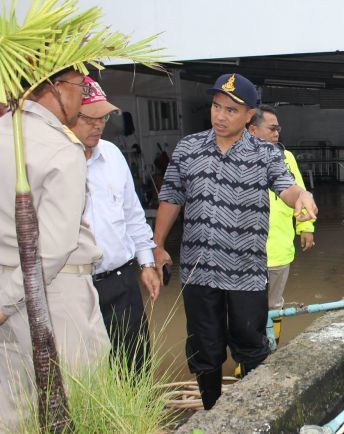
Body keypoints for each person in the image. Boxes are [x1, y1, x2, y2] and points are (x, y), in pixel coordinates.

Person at [153, 73, 318, 411]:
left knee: (251, 344)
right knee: (204, 348)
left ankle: (256, 413)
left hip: (245, 273)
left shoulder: (265, 153)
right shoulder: (188, 147)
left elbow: (286, 187)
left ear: (248, 116)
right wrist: (157, 244)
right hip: (199, 273)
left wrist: (302, 197)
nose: (220, 115)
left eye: (231, 109)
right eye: (216, 106)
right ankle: (213, 411)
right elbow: (171, 197)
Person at [0, 69, 109, 429]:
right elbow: (53, 249)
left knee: (18, 408)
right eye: (79, 88)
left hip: (7, 289)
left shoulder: (5, 133)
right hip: (54, 297)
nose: (81, 100)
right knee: (81, 404)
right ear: (54, 88)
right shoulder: (59, 148)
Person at [67, 77, 161, 373]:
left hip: (120, 281)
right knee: (86, 368)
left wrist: (146, 263)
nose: (98, 125)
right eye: (88, 118)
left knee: (135, 364)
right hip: (74, 285)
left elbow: (132, 213)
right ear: (68, 114)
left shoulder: (111, 155)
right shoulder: (52, 161)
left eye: (103, 117)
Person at [247, 105, 315, 347]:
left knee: (273, 304)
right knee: (244, 306)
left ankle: (271, 347)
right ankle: (250, 353)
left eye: (278, 128)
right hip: (243, 252)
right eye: (272, 128)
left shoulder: (286, 159)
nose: (277, 133)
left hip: (278, 248)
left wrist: (305, 228)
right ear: (252, 129)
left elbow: (301, 193)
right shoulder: (238, 159)